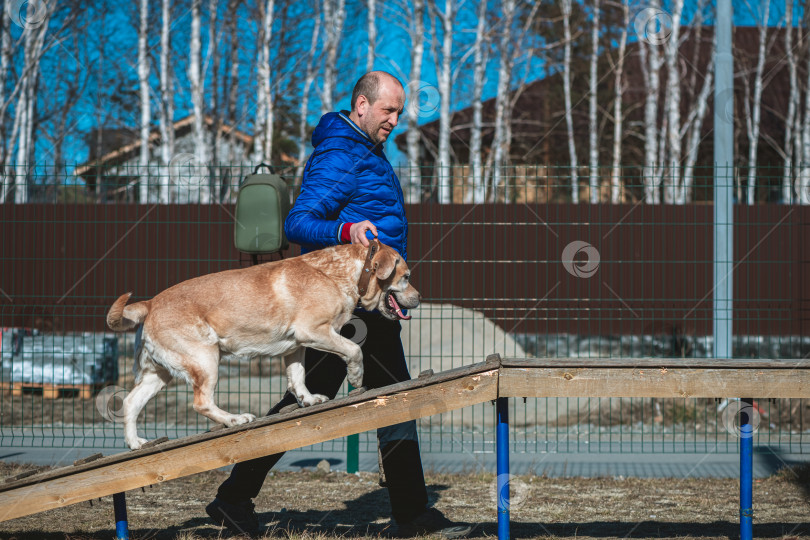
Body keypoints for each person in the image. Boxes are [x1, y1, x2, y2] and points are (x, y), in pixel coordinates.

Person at [205, 71, 472, 539]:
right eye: (388, 110)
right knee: (372, 401)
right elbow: (299, 222)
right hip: (350, 309)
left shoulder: (365, 151)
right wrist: (344, 232)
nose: (395, 120)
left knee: (346, 401)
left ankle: (235, 497)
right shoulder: (341, 154)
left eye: (399, 112)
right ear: (362, 105)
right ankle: (410, 515)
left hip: (366, 304)